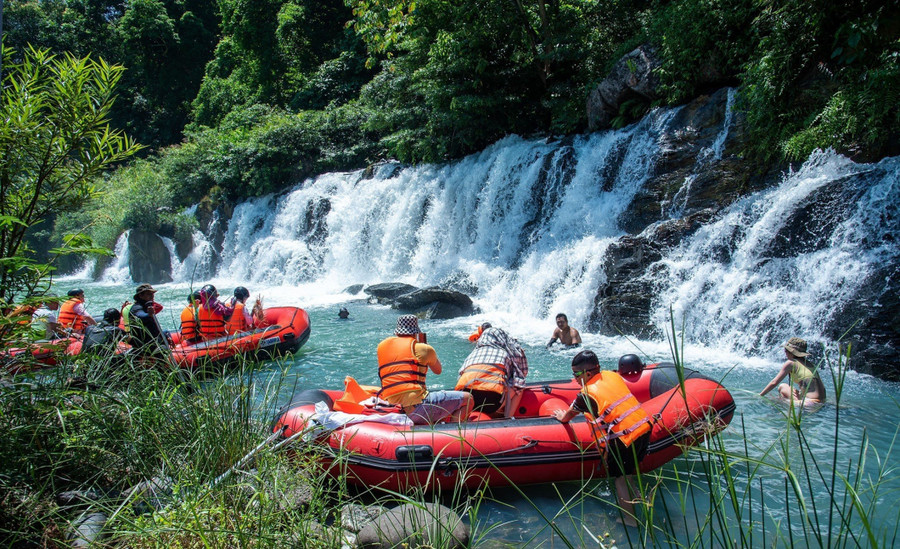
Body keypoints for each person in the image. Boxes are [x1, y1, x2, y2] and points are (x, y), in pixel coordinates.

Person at [553, 350, 652, 527]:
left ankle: (630, 520)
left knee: (620, 479)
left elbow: (568, 415)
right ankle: (639, 500)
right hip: (644, 428)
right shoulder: (611, 376)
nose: (574, 378)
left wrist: (561, 416)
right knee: (627, 472)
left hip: (624, 438)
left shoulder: (587, 393)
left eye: (576, 374)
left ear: (588, 373)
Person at [376, 314, 474, 425]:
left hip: (394, 406)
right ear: (416, 332)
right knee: (468, 398)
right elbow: (438, 370)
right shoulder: (424, 348)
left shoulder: (382, 347)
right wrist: (425, 346)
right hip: (417, 409)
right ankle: (453, 432)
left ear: (397, 332)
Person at [456, 326, 528, 417]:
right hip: (491, 404)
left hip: (467, 403)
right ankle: (508, 418)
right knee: (518, 386)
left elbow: (460, 377)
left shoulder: (472, 354)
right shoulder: (504, 354)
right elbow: (520, 377)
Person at [760, 337, 826, 406]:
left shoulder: (791, 363)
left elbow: (774, 382)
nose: (785, 352)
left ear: (791, 352)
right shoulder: (810, 364)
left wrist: (760, 395)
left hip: (809, 403)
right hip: (821, 402)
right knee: (789, 391)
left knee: (782, 387)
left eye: (786, 350)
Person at [128, 284, 168, 356]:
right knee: (163, 348)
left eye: (152, 294)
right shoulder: (136, 308)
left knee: (166, 333)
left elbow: (159, 306)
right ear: (141, 296)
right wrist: (148, 315)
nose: (152, 296)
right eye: (149, 294)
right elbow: (140, 315)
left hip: (153, 340)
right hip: (146, 344)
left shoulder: (146, 305)